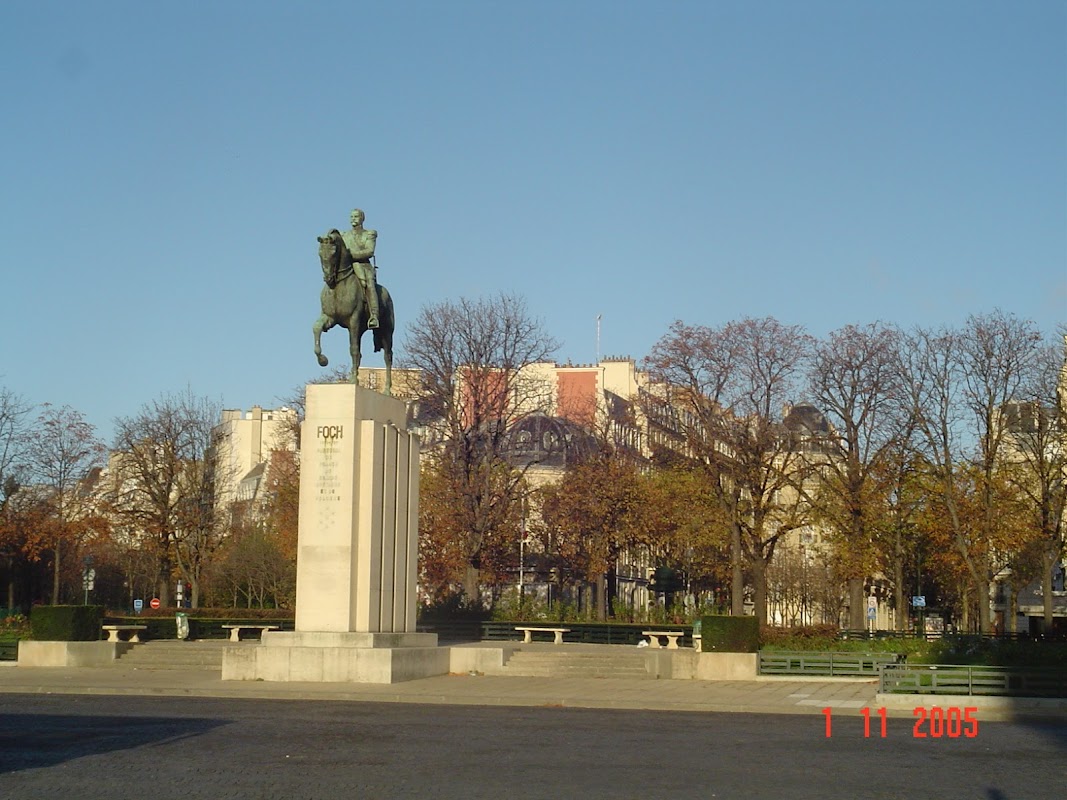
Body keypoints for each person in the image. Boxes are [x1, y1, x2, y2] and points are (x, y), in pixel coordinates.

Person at [340, 208, 380, 328]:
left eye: (356, 216)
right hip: (347, 267)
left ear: (362, 218)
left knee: (369, 284)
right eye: (351, 217)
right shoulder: (344, 235)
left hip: (364, 266)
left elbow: (369, 251)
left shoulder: (369, 234)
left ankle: (374, 315)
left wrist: (350, 255)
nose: (353, 219)